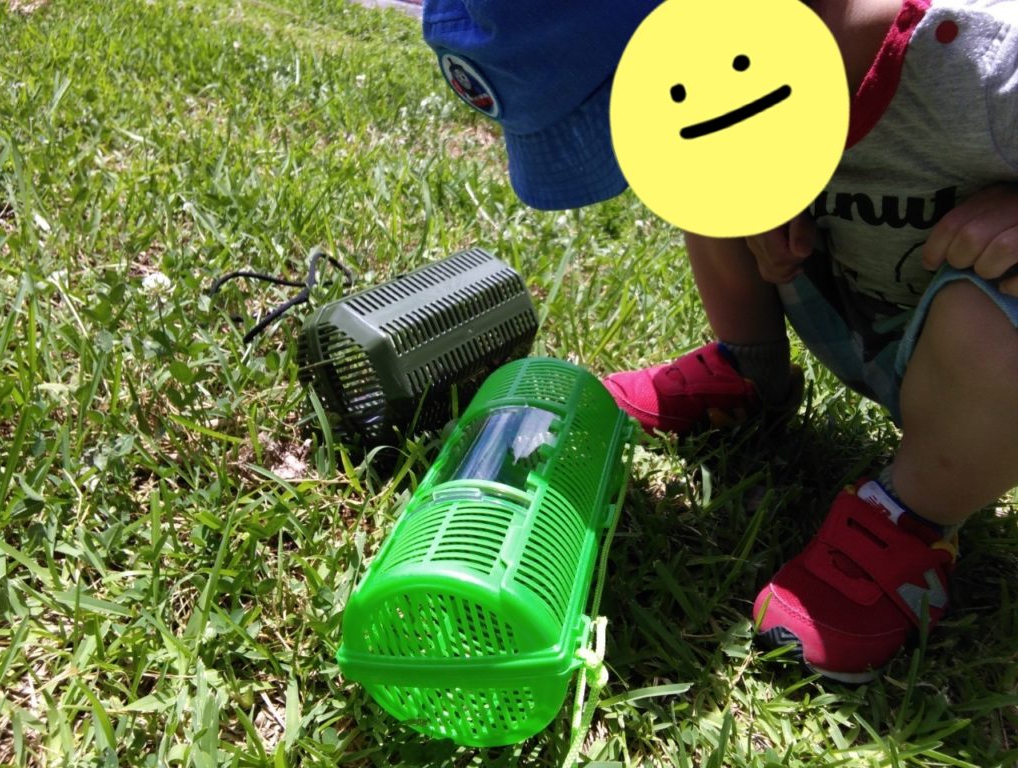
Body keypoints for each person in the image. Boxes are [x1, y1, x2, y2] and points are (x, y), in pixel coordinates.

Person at [422, 0, 1018, 682]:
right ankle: (748, 368)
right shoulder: (764, 63)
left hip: (980, 376)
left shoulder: (984, 62)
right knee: (706, 168)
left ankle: (913, 514)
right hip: (848, 306)